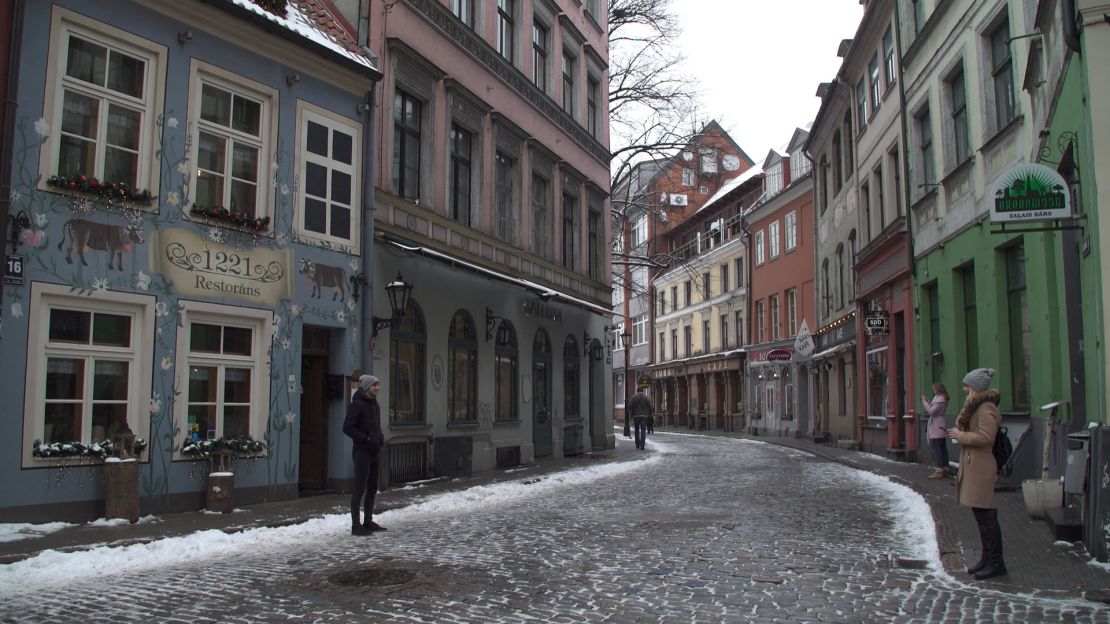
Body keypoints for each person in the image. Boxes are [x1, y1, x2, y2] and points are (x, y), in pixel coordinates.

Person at [947, 367, 1006, 580]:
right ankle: (986, 558)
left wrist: (961, 436)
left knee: (987, 516)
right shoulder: (976, 407)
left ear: (975, 387)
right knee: (980, 516)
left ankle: (996, 563)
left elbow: (986, 438)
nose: (964, 389)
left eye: (967, 385)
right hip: (974, 465)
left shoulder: (985, 408)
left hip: (982, 466)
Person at [343, 374, 386, 536]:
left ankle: (368, 521)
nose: (377, 388)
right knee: (359, 488)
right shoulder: (357, 405)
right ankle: (356, 525)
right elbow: (347, 427)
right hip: (362, 452)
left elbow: (376, 425)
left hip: (375, 451)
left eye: (378, 385)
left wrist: (380, 437)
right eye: (374, 385)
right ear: (366, 387)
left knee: (373, 487)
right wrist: (365, 439)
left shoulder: (375, 404)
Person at [922, 383, 950, 479]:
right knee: (942, 447)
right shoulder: (939, 398)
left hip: (937, 425)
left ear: (938, 389)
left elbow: (931, 411)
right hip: (938, 424)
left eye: (934, 389)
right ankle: (945, 468)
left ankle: (939, 469)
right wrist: (928, 402)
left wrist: (924, 402)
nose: (933, 391)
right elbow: (933, 408)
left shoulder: (940, 399)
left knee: (938, 448)